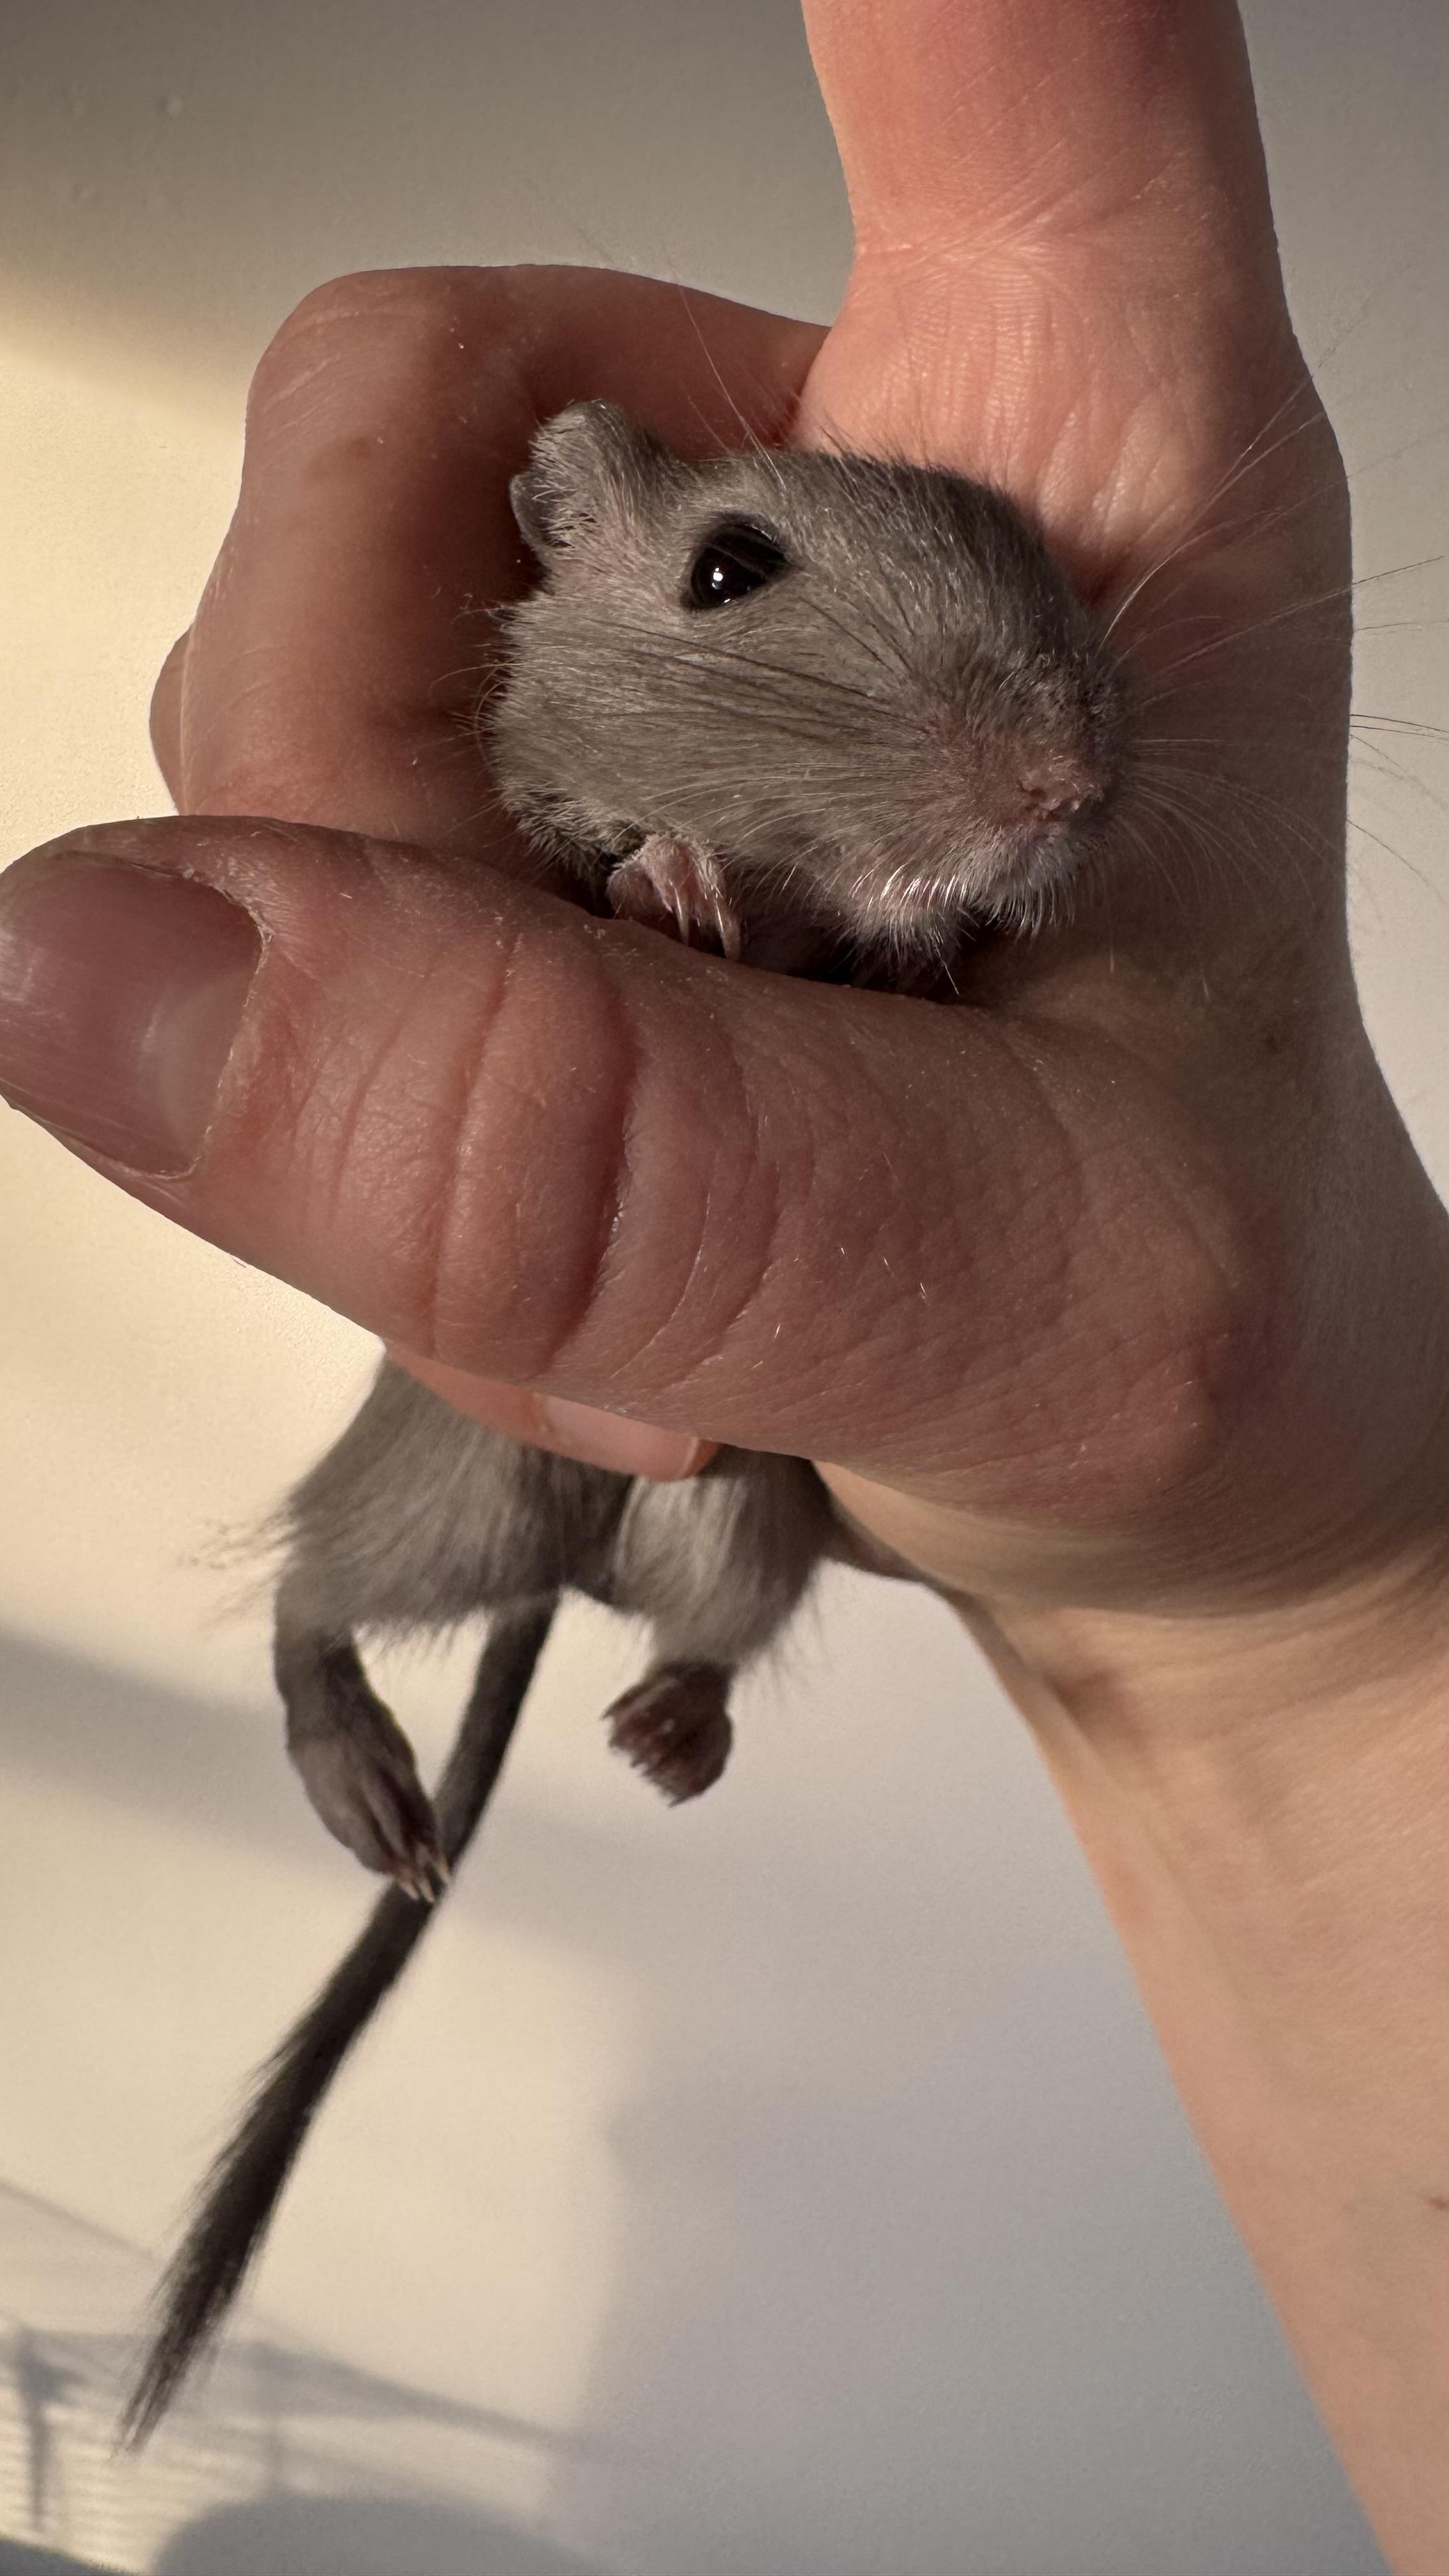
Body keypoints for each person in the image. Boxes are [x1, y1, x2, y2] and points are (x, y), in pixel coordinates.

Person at [0, 1, 1445, 2563]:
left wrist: (1285, 1588)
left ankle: (675, 1660)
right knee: (434, 1502)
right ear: (581, 545)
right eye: (745, 565)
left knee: (736, 1534)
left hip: (741, 1447)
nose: (1029, 753)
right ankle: (318, 1664)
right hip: (541, 1402)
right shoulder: (571, 746)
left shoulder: (949, 921)